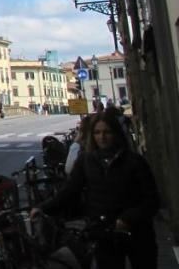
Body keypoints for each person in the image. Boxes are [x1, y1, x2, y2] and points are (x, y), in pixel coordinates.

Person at [34, 113, 160, 269]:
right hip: (103, 232)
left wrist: (128, 218)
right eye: (97, 133)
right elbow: (69, 191)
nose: (102, 137)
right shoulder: (87, 161)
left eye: (107, 132)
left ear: (116, 133)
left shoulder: (134, 161)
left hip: (138, 233)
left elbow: (152, 200)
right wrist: (43, 207)